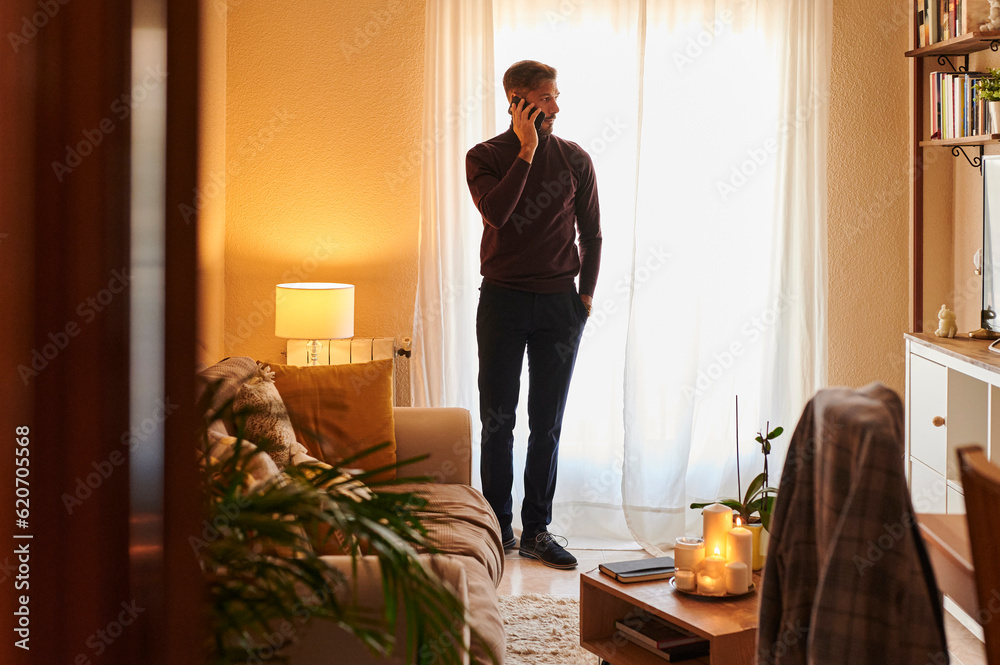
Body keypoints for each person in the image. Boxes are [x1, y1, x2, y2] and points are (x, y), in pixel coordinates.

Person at [465, 60, 602, 569]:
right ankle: (499, 530)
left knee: (547, 425)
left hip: (559, 305)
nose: (556, 107)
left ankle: (537, 529)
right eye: (547, 98)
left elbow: (593, 234)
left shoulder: (575, 159)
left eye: (556, 97)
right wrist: (526, 149)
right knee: (497, 422)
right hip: (501, 300)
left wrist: (584, 298)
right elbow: (497, 215)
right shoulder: (484, 156)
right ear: (519, 101)